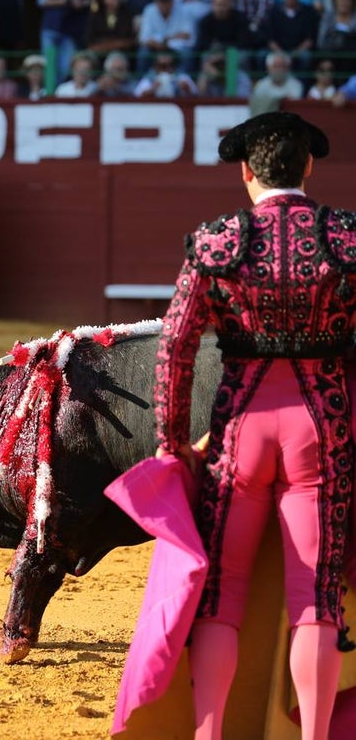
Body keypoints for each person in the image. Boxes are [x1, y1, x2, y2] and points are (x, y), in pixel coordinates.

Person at [151, 110, 352, 740]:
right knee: (316, 597)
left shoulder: (216, 241)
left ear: (246, 172)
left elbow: (175, 349)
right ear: (309, 167)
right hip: (325, 426)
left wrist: (171, 442)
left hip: (241, 426)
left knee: (221, 596)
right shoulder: (347, 239)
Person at [248, 49, 303, 114]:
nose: (279, 70)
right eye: (276, 66)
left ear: (288, 68)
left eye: (282, 66)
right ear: (268, 68)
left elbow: (295, 105)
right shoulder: (261, 85)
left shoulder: (296, 85)